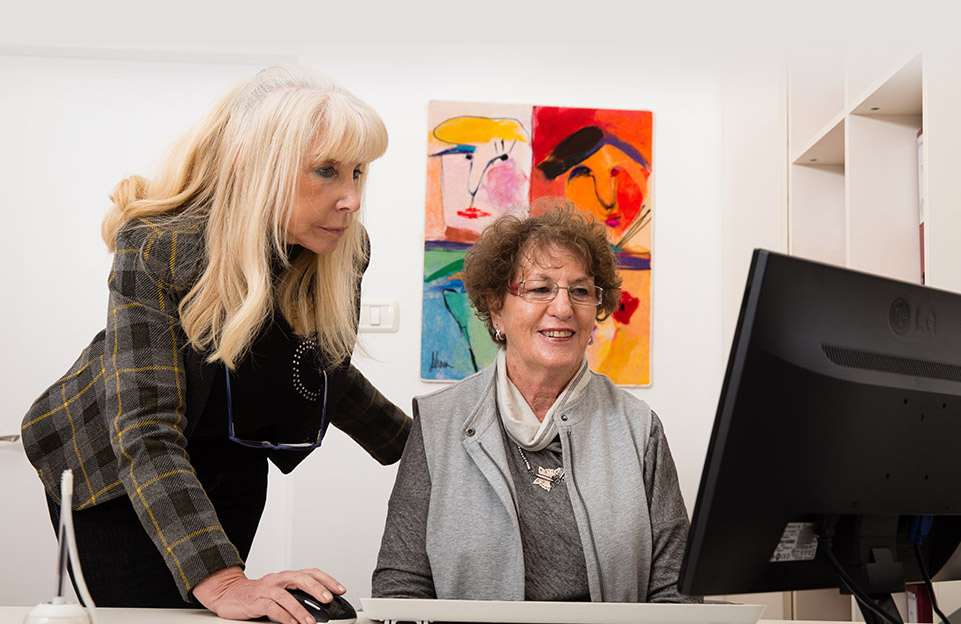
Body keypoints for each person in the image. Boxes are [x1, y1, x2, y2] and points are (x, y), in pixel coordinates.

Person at [19, 66, 411, 623]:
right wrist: (224, 580)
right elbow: (145, 428)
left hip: (229, 448)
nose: (350, 198)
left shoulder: (343, 250)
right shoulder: (161, 246)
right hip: (112, 466)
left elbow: (322, 371)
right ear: (253, 166)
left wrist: (431, 450)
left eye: (358, 172)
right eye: (325, 170)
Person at [372, 202, 698, 603]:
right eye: (540, 289)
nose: (563, 308)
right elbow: (400, 587)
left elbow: (676, 593)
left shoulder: (639, 429)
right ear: (497, 309)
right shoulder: (438, 423)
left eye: (580, 291)